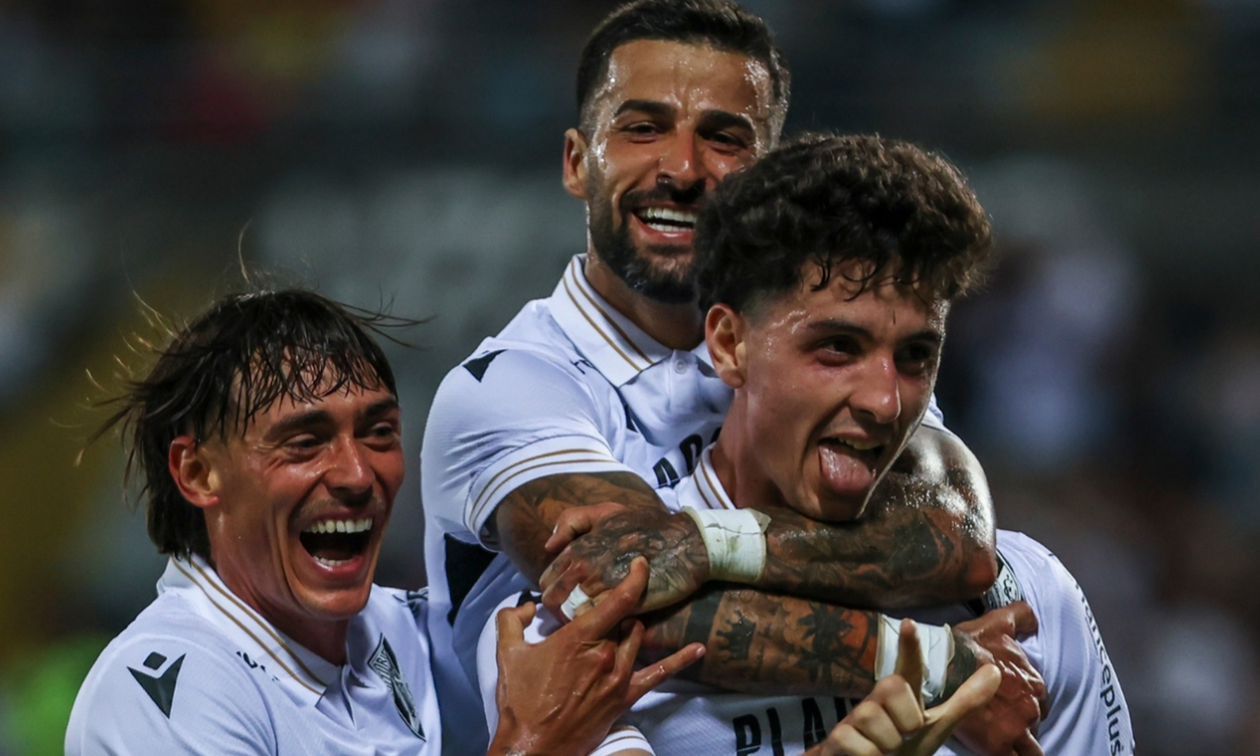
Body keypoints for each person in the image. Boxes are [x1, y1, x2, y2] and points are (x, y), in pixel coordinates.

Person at [420, 2, 1044, 755]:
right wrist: (937, 663)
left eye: (724, 138)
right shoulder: (509, 388)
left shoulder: (832, 347)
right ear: (578, 162)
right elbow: (622, 603)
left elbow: (949, 535)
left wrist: (708, 543)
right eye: (642, 128)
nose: (683, 170)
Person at [483, 134, 1135, 756]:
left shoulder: (1031, 599)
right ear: (729, 345)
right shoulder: (568, 629)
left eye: (915, 355)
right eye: (837, 348)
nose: (885, 401)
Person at [65, 289, 702, 756]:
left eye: (378, 433)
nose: (357, 474)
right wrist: (532, 747)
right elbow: (543, 730)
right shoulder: (164, 690)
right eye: (305, 442)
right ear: (198, 472)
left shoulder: (411, 635)